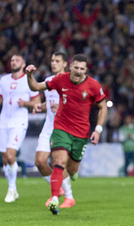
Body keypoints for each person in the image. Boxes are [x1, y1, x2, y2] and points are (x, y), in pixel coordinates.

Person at [25, 54, 108, 215]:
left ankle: (71, 175)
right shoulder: (60, 79)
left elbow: (103, 107)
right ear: (70, 66)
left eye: (82, 69)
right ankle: (55, 198)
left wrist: (98, 130)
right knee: (58, 161)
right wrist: (29, 75)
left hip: (81, 133)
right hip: (61, 128)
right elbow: (35, 87)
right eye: (76, 67)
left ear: (86, 69)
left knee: (70, 169)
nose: (78, 71)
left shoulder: (93, 85)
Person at [33, 52, 76, 208]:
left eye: (57, 61)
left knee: (58, 163)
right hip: (48, 126)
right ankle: (57, 189)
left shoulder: (71, 82)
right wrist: (41, 106)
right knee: (39, 162)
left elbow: (78, 106)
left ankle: (69, 197)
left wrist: (61, 107)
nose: (53, 63)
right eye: (52, 60)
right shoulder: (49, 81)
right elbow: (50, 104)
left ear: (65, 64)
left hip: (63, 127)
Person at [0, 54, 40, 202]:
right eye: (11, 60)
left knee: (11, 156)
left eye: (17, 60)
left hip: (19, 122)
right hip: (3, 121)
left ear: (23, 64)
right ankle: (14, 189)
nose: (13, 62)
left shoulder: (27, 80)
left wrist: (26, 103)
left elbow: (37, 100)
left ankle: (11, 189)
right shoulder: (3, 80)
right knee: (5, 159)